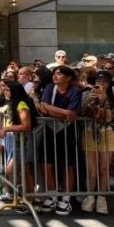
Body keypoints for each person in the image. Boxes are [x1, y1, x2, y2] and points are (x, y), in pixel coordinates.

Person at [36, 66, 82, 216]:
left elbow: (72, 114)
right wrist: (63, 112)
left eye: (59, 73)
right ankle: (52, 194)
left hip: (67, 131)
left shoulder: (75, 92)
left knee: (67, 165)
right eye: (54, 73)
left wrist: (52, 109)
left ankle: (66, 199)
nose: (55, 76)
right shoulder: (50, 88)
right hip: (49, 131)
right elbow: (44, 108)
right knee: (46, 163)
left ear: (68, 77)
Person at [80, 70, 114, 214]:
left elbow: (110, 119)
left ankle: (102, 198)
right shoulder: (86, 93)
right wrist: (91, 99)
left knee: (104, 168)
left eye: (105, 82)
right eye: (99, 81)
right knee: (91, 170)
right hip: (89, 132)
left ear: (109, 84)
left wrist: (104, 101)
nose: (101, 84)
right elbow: (82, 111)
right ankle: (90, 197)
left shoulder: (112, 99)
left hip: (106, 132)